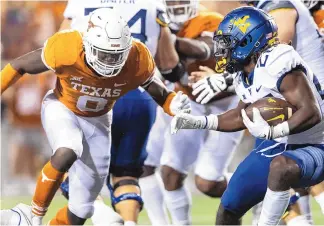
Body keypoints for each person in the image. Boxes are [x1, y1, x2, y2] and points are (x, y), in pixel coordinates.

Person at [0, 8, 191, 225]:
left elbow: (159, 92)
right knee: (68, 150)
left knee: (81, 210)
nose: (110, 61)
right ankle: (32, 215)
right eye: (104, 53)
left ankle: (21, 218)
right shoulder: (67, 47)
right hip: (62, 107)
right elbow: (18, 65)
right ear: (88, 44)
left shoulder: (137, 57)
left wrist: (172, 104)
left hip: (99, 120)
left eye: (116, 55)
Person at [171, 6, 324, 226]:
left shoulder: (278, 60)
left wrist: (274, 131)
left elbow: (312, 112)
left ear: (247, 42)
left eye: (227, 44)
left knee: (281, 167)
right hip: (275, 147)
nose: (221, 51)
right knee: (228, 209)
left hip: (314, 144)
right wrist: (197, 122)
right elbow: (239, 116)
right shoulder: (245, 73)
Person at [57, 0, 182, 225]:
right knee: (126, 172)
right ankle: (130, 222)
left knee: (70, 163)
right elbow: (169, 64)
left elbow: (58, 48)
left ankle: (98, 211)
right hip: (140, 95)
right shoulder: (153, 3)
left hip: (90, 93)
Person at [140, 1, 242, 224]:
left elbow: (205, 48)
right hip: (190, 100)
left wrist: (165, 36)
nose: (177, 5)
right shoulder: (152, 20)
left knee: (207, 182)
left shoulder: (210, 20)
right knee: (170, 173)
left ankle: (261, 188)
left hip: (226, 102)